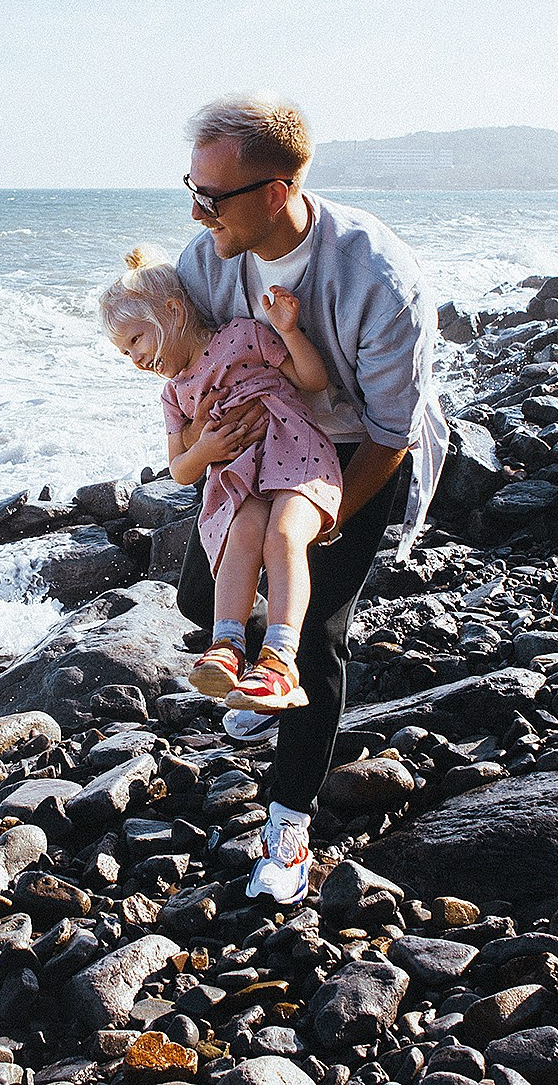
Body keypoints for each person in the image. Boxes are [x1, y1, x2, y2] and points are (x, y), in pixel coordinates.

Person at [172, 91, 448, 905]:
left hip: (357, 447)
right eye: (188, 189)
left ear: (277, 192)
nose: (196, 211)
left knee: (316, 629)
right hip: (259, 443)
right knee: (198, 595)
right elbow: (175, 345)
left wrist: (323, 525)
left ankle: (288, 828)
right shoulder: (208, 257)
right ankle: (260, 671)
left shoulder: (380, 279)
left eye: (210, 197)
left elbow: (394, 431)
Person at [98, 247, 342, 712]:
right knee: (241, 534)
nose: (133, 358)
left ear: (171, 312)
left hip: (297, 452)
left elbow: (313, 381)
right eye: (124, 352)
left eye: (136, 340)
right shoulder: (174, 395)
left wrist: (288, 332)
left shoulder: (244, 335)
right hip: (240, 476)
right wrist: (205, 449)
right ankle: (227, 646)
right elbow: (180, 469)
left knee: (283, 535)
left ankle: (280, 661)